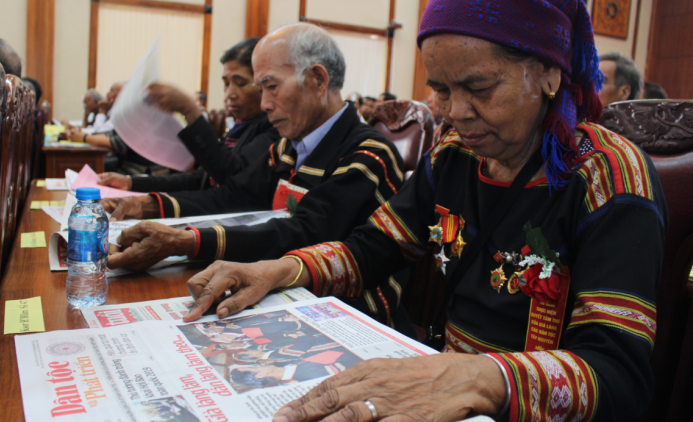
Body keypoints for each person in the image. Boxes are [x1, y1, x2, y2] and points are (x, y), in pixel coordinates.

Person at [181, 1, 667, 420]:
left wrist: (479, 379)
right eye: (441, 89)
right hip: (439, 385)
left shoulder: (607, 177)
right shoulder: (454, 155)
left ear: (548, 72)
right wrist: (280, 269)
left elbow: (618, 372)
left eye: (478, 88)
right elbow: (372, 249)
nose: (455, 112)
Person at [102, 24, 404, 325]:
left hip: (351, 316)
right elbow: (235, 195)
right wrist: (150, 205)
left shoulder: (369, 153)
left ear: (318, 79)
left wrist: (187, 241)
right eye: (260, 90)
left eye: (271, 87)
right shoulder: (289, 146)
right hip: (281, 294)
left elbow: (305, 233)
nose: (264, 104)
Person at [97, 38, 280, 193]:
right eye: (226, 83)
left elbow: (230, 175)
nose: (230, 94)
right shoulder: (241, 126)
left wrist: (190, 109)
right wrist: (131, 183)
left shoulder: (274, 128)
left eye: (240, 83)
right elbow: (202, 178)